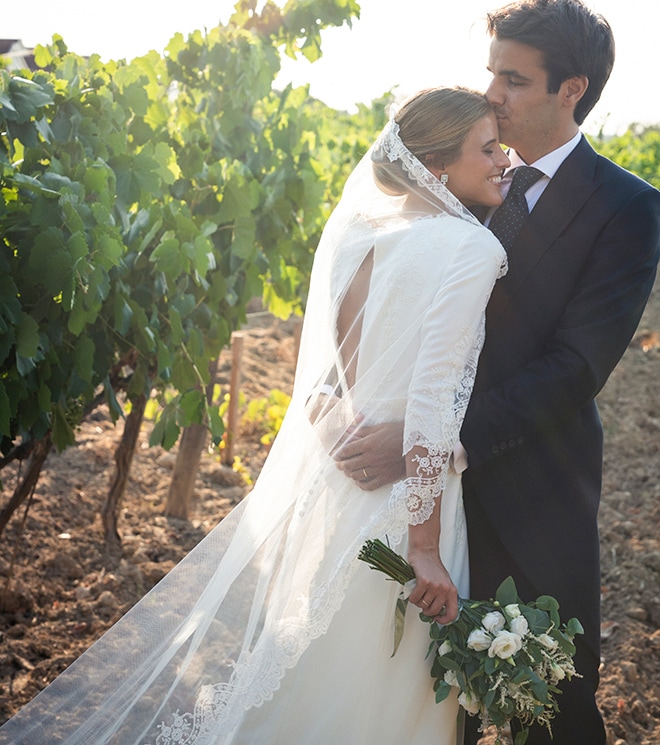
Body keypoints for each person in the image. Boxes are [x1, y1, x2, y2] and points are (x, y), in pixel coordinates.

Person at [0, 87, 509, 744]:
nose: (504, 160)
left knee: (315, 678)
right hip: (413, 506)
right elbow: (433, 400)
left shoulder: (362, 237)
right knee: (378, 698)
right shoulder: (470, 250)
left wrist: (337, 432)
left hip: (344, 491)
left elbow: (330, 382)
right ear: (437, 164)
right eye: (488, 148)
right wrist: (422, 549)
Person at [333, 2, 660, 743]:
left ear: (570, 89)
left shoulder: (625, 206)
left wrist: (430, 443)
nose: (490, 94)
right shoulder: (456, 172)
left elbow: (575, 366)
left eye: (511, 80)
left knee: (550, 708)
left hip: (532, 494)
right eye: (489, 73)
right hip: (417, 502)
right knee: (418, 700)